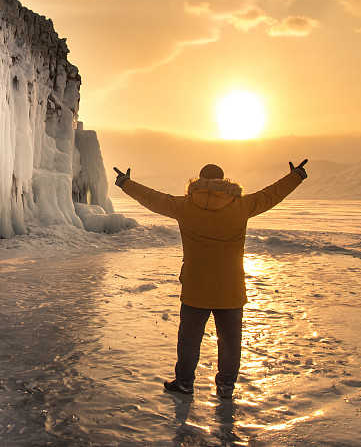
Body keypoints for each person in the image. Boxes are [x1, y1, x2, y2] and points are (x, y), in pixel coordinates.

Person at [113, 160, 308, 398]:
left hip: (196, 286)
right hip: (231, 287)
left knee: (189, 339)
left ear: (199, 181)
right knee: (229, 341)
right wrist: (295, 176)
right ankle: (225, 385)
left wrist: (125, 182)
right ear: (224, 182)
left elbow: (152, 198)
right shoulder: (242, 205)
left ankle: (184, 382)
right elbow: (271, 194)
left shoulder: (184, 205)